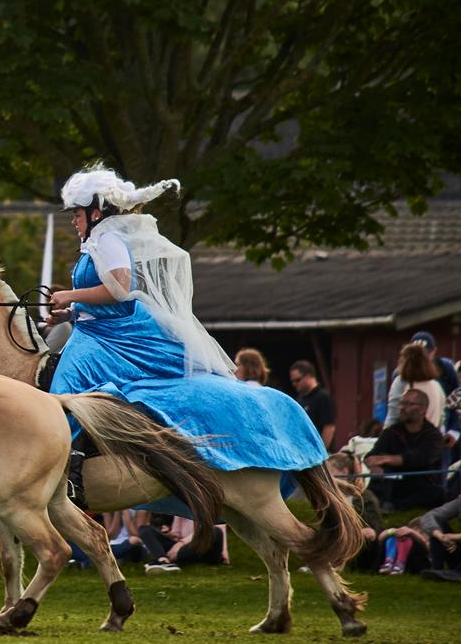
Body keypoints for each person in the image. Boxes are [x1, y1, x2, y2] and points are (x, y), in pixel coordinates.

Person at [44, 165, 327, 504]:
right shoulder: (97, 240)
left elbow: (120, 290)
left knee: (61, 394)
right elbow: (104, 300)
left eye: (76, 213)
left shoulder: (107, 239)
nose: (73, 220)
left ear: (95, 211)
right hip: (97, 327)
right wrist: (72, 312)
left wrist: (70, 296)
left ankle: (67, 471)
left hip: (109, 338)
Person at [365, 388, 446, 511]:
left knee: (437, 493)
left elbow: (419, 458)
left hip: (421, 486)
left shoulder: (433, 436)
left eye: (409, 404)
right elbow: (371, 457)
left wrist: (385, 459)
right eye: (402, 403)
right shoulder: (391, 432)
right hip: (394, 485)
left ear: (423, 409)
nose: (403, 407)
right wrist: (374, 466)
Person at [419, 472, 461, 582]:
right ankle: (437, 570)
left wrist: (458, 536)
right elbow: (428, 517)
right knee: (438, 525)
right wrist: (441, 536)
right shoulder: (460, 503)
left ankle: (459, 573)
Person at [325, 452, 383, 572]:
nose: (326, 477)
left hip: (361, 545)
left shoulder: (364, 497)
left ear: (344, 472)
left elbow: (373, 528)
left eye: (329, 472)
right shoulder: (330, 499)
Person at [383, 341, 447, 432]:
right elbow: (442, 417)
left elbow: (393, 414)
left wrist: (384, 438)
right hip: (432, 438)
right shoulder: (437, 386)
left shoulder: (401, 382)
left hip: (409, 439)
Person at [138, 514, 225, 574]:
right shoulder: (181, 507)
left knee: (214, 531)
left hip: (205, 551)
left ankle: (171, 560)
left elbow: (216, 530)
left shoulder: (210, 507)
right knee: (144, 529)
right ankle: (163, 561)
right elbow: (177, 534)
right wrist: (170, 534)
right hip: (184, 550)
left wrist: (181, 543)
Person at [289, 360, 336, 450]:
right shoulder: (300, 399)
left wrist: (321, 453)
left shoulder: (322, 397)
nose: (294, 384)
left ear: (308, 376)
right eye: (292, 381)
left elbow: (329, 428)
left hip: (316, 454)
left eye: (297, 380)